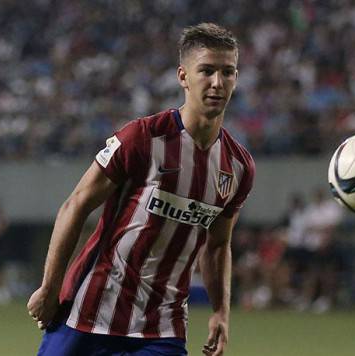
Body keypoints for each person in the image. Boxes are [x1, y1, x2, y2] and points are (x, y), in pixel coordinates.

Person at [27, 22, 255, 356]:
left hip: (162, 328)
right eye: (206, 71)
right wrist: (50, 287)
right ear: (183, 77)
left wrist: (221, 312)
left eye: (228, 72)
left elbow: (218, 244)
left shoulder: (237, 166)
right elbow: (75, 205)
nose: (217, 82)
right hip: (90, 312)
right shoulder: (143, 138)